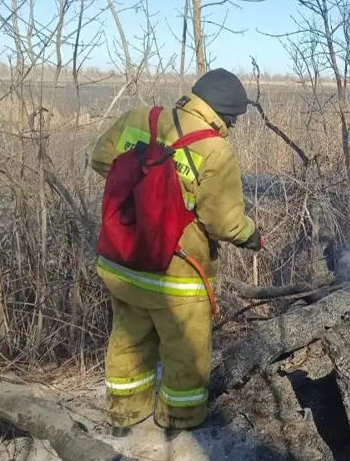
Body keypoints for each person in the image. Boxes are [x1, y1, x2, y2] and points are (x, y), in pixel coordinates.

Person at [91, 68, 263, 436]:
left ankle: (124, 414)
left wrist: (143, 193)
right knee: (185, 350)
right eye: (234, 117)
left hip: (122, 263)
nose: (233, 123)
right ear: (224, 112)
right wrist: (251, 235)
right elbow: (223, 223)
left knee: (127, 339)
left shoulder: (141, 118)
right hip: (176, 276)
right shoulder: (215, 149)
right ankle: (179, 424)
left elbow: (101, 160)